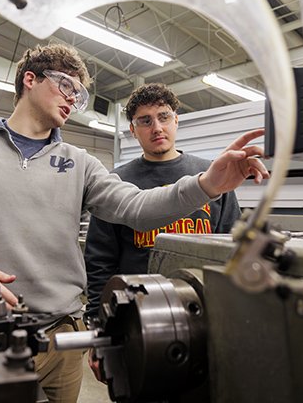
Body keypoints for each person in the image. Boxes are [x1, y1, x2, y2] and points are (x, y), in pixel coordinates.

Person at [0, 43, 268, 403]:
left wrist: (206, 184)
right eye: (66, 85)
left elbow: (137, 207)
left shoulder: (80, 162)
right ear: (30, 79)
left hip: (61, 340)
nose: (74, 98)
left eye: (80, 94)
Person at [83, 83, 246, 382]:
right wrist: (98, 328)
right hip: (137, 320)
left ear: (176, 120)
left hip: (204, 315)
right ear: (133, 130)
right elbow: (99, 262)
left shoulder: (210, 176)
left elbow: (232, 253)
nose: (157, 127)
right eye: (145, 121)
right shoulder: (117, 182)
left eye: (164, 116)